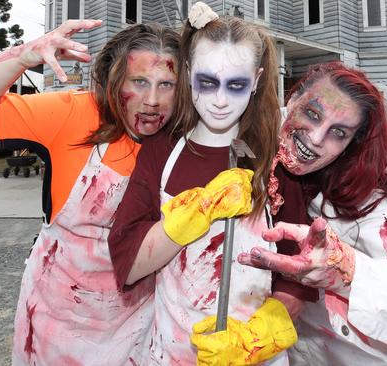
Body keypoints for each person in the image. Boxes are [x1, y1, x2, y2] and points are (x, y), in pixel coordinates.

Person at [0, 20, 180, 365]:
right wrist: (21, 59)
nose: (153, 100)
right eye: (139, 82)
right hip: (57, 323)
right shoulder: (72, 113)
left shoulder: (185, 141)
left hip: (142, 322)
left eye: (166, 84)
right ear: (114, 78)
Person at [199, 61, 387, 365]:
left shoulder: (366, 198)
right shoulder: (251, 137)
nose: (315, 138)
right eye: (312, 114)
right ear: (293, 98)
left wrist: (346, 269)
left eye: (338, 132)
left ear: (351, 144)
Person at [108, 3, 307, 365]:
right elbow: (129, 263)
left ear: (258, 80)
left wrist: (258, 336)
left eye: (236, 85)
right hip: (172, 351)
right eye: (207, 81)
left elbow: (299, 272)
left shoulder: (277, 160)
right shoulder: (161, 150)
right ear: (187, 72)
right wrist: (195, 212)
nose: (219, 101)